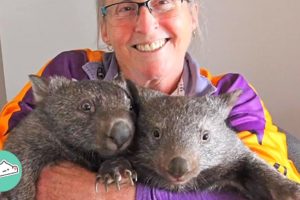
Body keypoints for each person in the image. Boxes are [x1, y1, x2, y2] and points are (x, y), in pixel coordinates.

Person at [0, 0, 299, 199]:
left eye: (163, 2)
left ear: (193, 15)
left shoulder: (230, 94)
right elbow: (4, 165)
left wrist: (117, 194)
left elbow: (279, 188)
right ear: (104, 28)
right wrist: (29, 183)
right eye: (125, 7)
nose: (145, 24)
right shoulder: (69, 73)